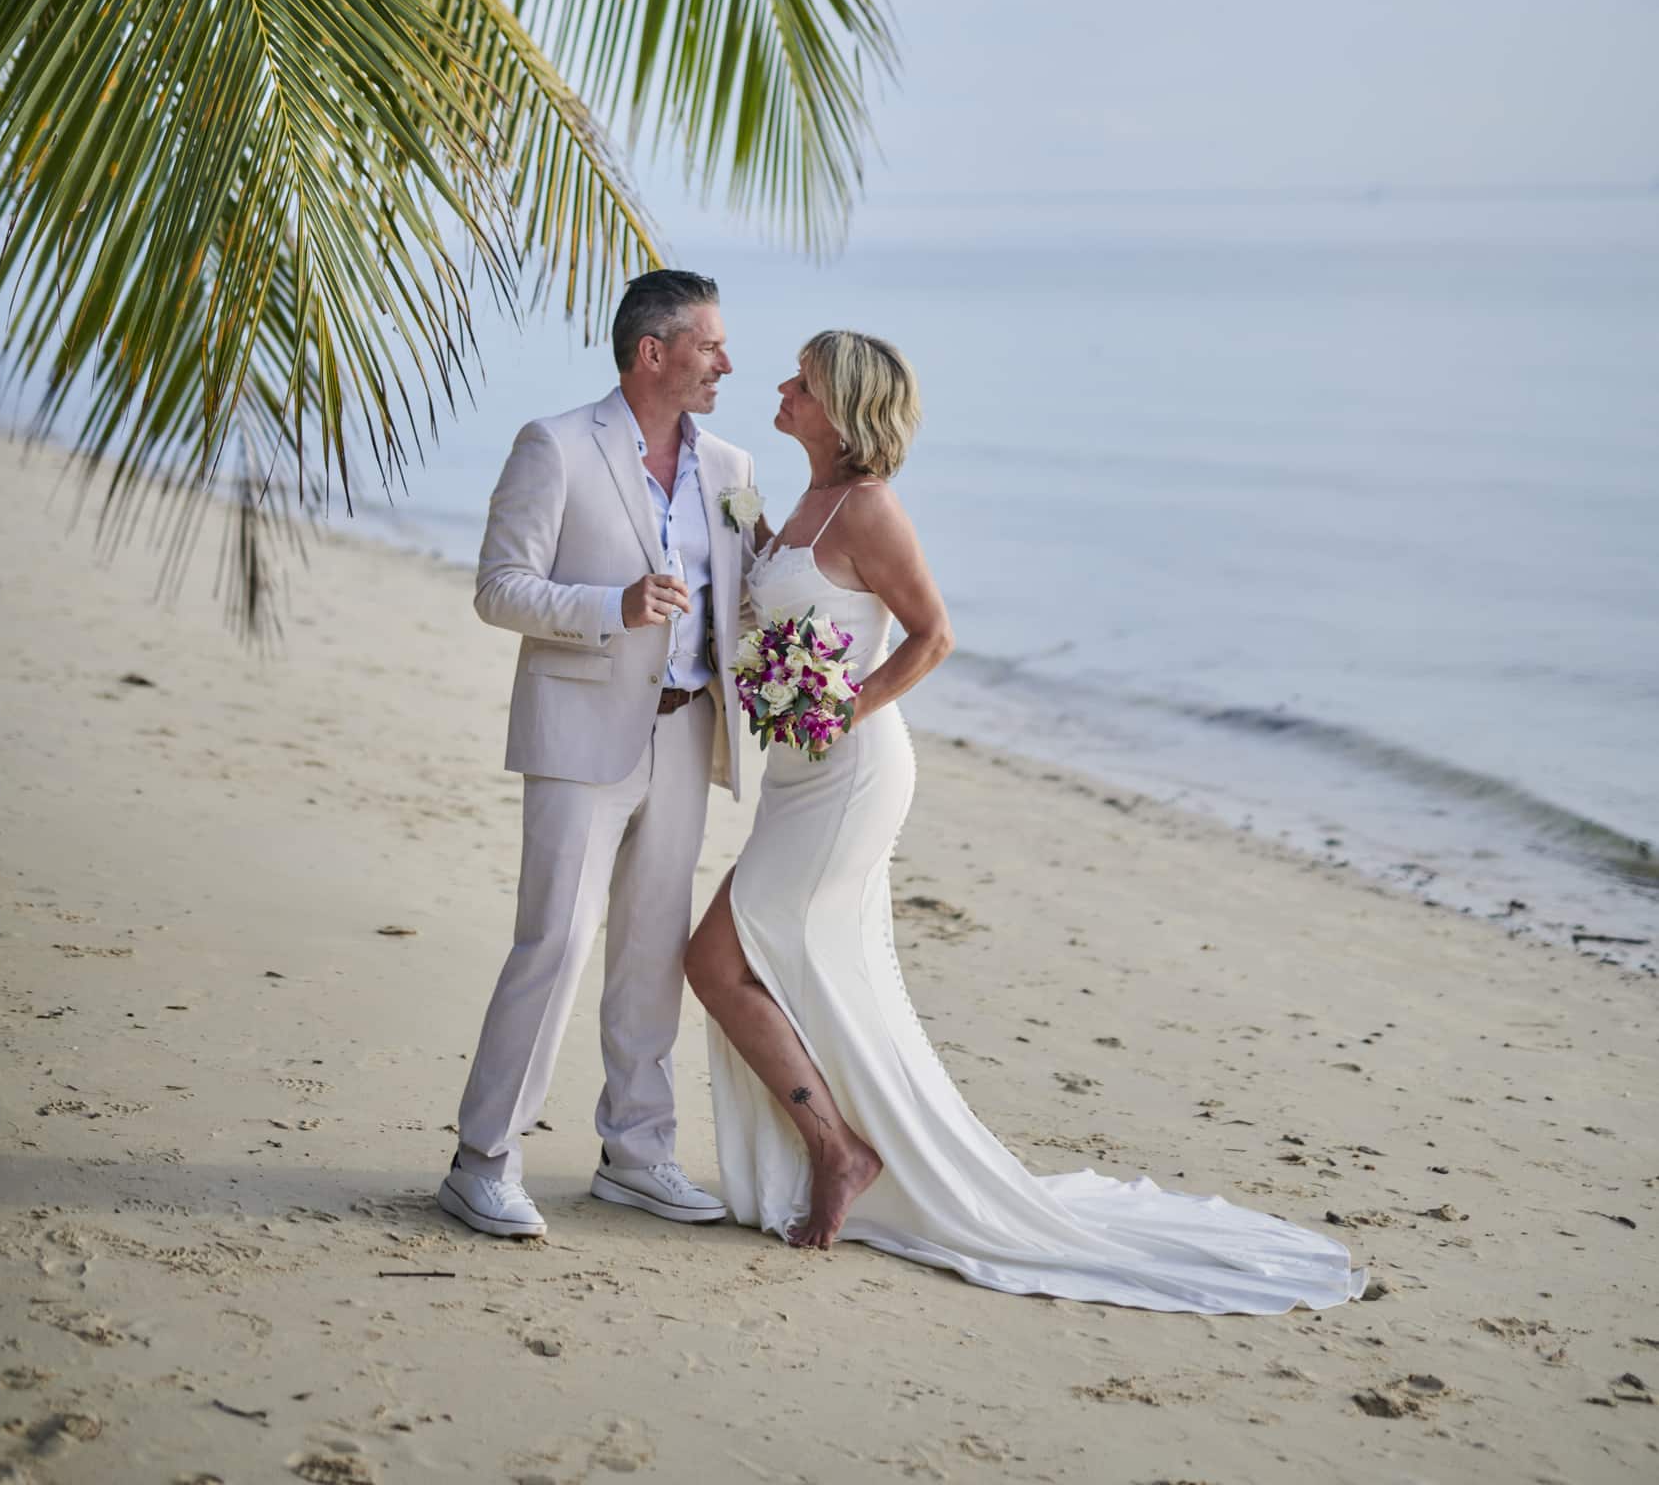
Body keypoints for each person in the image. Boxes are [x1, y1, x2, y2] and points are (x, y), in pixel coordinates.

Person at [686, 328, 1365, 1313]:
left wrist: (843, 709)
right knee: (797, 966)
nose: (783, 386)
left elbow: (934, 636)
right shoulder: (801, 500)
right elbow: (783, 611)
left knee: (719, 959)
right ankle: (836, 1146)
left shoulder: (870, 507)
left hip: (850, 774)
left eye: (804, 379)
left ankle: (838, 1151)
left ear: (841, 405)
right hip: (797, 775)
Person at [439, 269, 759, 1240]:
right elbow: (499, 588)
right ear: (652, 352)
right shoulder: (556, 446)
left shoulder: (733, 468)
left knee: (651, 950)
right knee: (558, 941)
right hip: (580, 735)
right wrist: (607, 608)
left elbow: (746, 590)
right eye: (710, 344)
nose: (726, 361)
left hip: (687, 728)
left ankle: (637, 1150)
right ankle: (482, 1159)